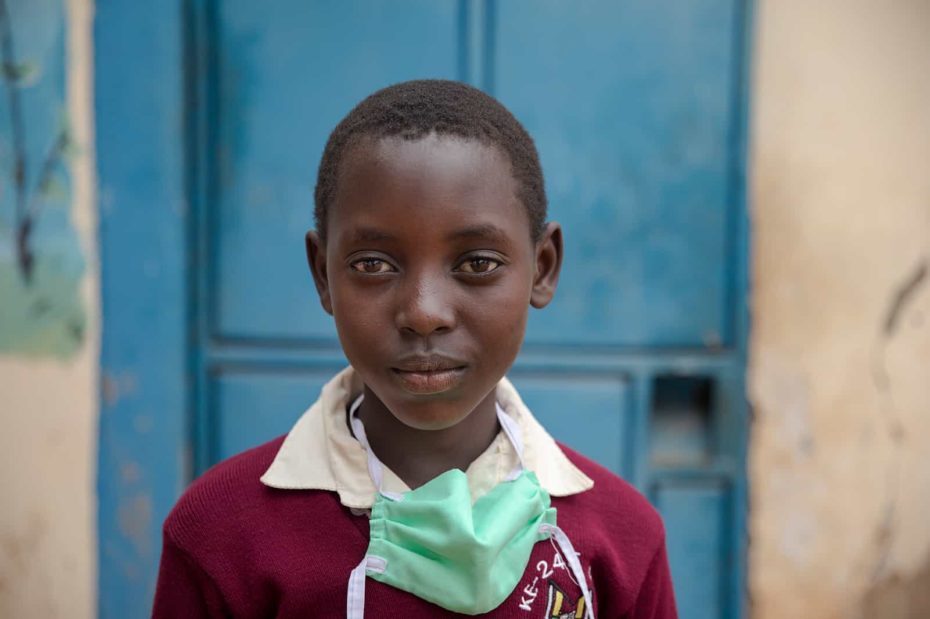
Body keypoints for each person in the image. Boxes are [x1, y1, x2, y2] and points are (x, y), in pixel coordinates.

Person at [152, 79, 678, 618]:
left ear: (542, 268)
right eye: (372, 264)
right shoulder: (220, 533)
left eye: (477, 263)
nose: (425, 312)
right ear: (323, 275)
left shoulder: (620, 538)